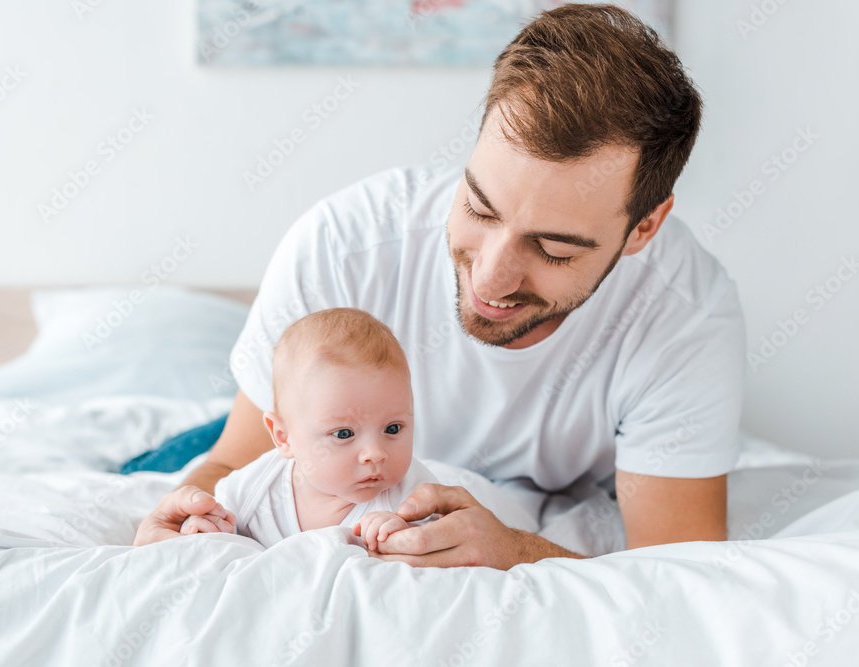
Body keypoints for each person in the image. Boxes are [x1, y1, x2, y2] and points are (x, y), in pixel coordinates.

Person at [133, 4, 746, 569]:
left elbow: (677, 575)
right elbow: (237, 464)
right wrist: (185, 518)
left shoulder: (685, 316)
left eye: (553, 248)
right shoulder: (344, 247)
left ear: (643, 228)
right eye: (480, 209)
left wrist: (513, 549)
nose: (490, 277)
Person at [179, 307, 439, 552]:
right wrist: (207, 526)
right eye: (344, 434)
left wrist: (407, 535)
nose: (375, 453)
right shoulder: (254, 488)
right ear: (283, 437)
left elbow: (443, 543)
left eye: (393, 428)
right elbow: (212, 522)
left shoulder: (413, 497)